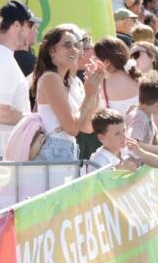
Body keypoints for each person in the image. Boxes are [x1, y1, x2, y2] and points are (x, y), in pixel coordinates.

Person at [31, 26, 104, 162]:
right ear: (52, 51)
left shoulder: (65, 82)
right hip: (54, 154)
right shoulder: (50, 78)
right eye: (67, 45)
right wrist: (88, 95)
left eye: (76, 45)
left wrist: (94, 91)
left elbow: (87, 127)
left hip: (65, 151)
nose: (74, 50)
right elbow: (72, 128)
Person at [0, 1, 39, 158]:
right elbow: (0, 114)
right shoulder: (1, 60)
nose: (31, 30)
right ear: (16, 26)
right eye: (29, 25)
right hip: (1, 154)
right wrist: (35, 118)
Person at [86, 108, 158, 173]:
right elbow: (99, 189)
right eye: (117, 134)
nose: (123, 136)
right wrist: (119, 169)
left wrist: (140, 152)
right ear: (102, 138)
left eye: (124, 130)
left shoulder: (128, 148)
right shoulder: (98, 162)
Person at [125, 72, 158, 160]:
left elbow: (156, 133)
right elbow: (132, 143)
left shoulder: (147, 113)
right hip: (136, 170)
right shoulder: (139, 117)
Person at [95, 37, 141, 115]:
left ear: (106, 62)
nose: (92, 62)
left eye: (95, 58)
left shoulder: (102, 86)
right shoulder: (138, 78)